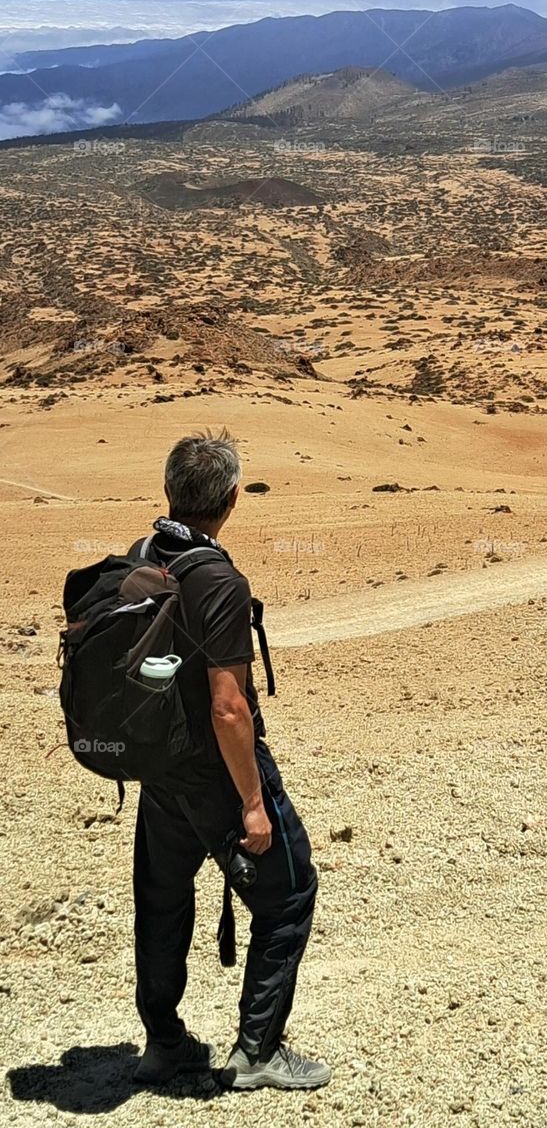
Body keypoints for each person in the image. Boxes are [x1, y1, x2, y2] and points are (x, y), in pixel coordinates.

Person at [131, 429, 330, 1091]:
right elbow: (229, 707)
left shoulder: (139, 556)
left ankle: (163, 1044)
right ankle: (258, 1050)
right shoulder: (217, 578)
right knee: (291, 892)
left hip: (158, 768)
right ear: (232, 499)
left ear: (169, 491)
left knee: (162, 900)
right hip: (214, 771)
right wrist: (251, 801)